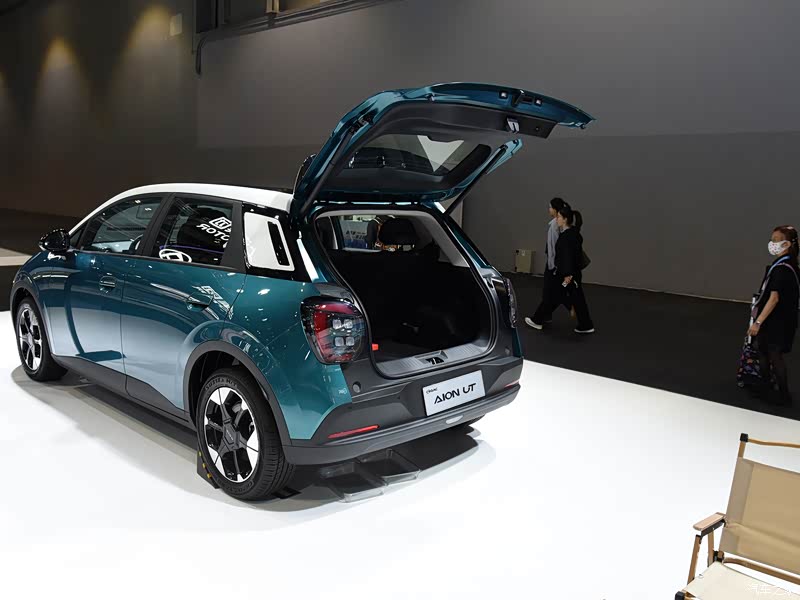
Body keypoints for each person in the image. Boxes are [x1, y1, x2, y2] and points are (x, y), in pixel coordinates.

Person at [747, 225, 800, 406]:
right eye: (772, 239)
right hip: (781, 319)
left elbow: (774, 298)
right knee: (764, 351)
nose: (772, 243)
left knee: (773, 354)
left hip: (776, 321)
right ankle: (766, 387)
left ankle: (783, 395)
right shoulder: (789, 265)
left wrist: (758, 322)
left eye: (776, 240)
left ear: (787, 244)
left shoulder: (782, 268)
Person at [524, 197, 567, 330]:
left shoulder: (554, 225)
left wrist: (552, 267)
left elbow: (553, 248)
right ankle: (546, 316)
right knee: (555, 292)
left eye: (550, 207)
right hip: (558, 265)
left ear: (555, 209)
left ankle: (538, 319)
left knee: (552, 293)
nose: (548, 209)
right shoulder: (563, 223)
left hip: (554, 265)